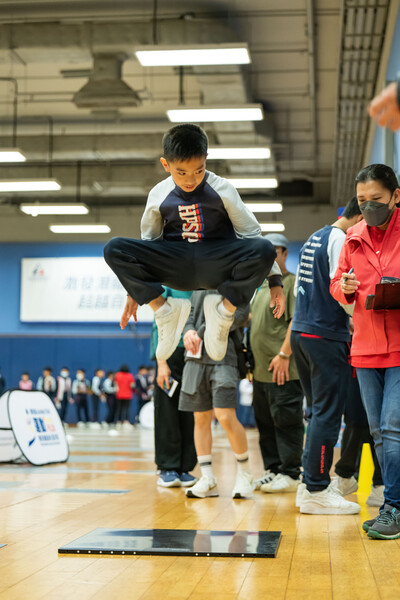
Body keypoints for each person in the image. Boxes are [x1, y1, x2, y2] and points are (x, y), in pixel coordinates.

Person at [104, 123, 284, 366]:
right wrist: (133, 290)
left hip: (217, 264)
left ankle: (223, 313)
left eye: (198, 171)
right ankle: (164, 312)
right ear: (165, 165)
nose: (191, 180)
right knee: (114, 248)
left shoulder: (222, 189)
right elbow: (150, 243)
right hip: (175, 265)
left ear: (206, 159)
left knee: (263, 248)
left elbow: (251, 233)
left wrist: (275, 281)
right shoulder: (159, 194)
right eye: (181, 173)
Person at [330, 163, 400, 539]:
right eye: (362, 200)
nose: (369, 206)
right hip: (367, 347)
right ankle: (393, 504)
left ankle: (393, 506)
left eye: (376, 199)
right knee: (377, 430)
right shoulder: (352, 236)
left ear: (395, 197)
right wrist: (348, 287)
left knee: (392, 426)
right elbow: (336, 284)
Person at [291, 197, 363, 515]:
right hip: (323, 335)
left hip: (303, 332)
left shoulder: (314, 237)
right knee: (328, 413)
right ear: (358, 217)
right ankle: (317, 487)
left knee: (317, 412)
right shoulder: (340, 240)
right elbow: (342, 291)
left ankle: (309, 484)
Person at [179, 290, 254, 499]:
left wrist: (201, 331)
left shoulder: (233, 277)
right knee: (200, 417)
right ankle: (207, 478)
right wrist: (188, 331)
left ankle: (245, 473)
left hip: (223, 355)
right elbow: (189, 314)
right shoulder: (197, 283)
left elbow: (239, 315)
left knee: (224, 415)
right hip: (195, 358)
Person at [250, 233, 304, 494]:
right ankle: (273, 470)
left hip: (284, 369)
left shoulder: (291, 284)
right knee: (265, 423)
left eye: (274, 252)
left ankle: (291, 473)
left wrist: (284, 355)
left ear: (284, 253)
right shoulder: (260, 287)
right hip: (260, 372)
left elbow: (296, 322)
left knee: (286, 420)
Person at [152, 288, 197, 488]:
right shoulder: (169, 283)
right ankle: (167, 467)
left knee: (189, 412)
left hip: (194, 354)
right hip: (169, 352)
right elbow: (159, 323)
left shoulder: (201, 283)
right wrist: (161, 363)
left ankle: (185, 468)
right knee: (167, 413)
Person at [330, 358, 384, 507]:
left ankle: (381, 484)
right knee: (355, 418)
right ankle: (346, 477)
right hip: (358, 357)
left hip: (387, 356)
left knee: (381, 422)